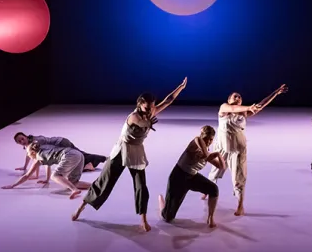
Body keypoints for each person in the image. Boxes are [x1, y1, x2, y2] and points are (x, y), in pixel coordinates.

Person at [72, 77, 188, 232]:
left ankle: (143, 219)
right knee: (104, 182)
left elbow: (169, 100)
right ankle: (80, 208)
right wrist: (148, 123)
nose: (149, 110)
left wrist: (180, 87)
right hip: (121, 151)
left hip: (136, 152)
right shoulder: (134, 116)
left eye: (151, 107)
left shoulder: (150, 111)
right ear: (140, 104)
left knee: (141, 186)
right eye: (147, 107)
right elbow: (141, 123)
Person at [203, 84, 288, 216]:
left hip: (238, 150)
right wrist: (249, 106)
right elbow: (232, 108)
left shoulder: (244, 113)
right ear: (229, 99)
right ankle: (207, 190)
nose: (238, 98)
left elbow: (261, 104)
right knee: (214, 172)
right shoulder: (223, 108)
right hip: (222, 149)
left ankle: (240, 206)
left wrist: (276, 93)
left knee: (239, 178)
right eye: (235, 96)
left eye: (240, 97)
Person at [158, 126, 226, 228]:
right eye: (206, 139)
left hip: (192, 177)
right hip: (178, 177)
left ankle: (210, 217)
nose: (208, 142)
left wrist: (219, 155)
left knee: (213, 189)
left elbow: (221, 167)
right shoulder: (195, 144)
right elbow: (197, 139)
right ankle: (161, 201)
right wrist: (206, 154)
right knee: (168, 217)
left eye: (211, 140)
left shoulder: (207, 153)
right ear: (202, 137)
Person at [1, 141, 91, 199]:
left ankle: (74, 190)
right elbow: (47, 166)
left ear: (32, 152)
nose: (28, 155)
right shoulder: (44, 151)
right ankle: (96, 185)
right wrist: (47, 180)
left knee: (55, 176)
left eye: (28, 153)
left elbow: (27, 176)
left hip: (69, 155)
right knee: (72, 181)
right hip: (78, 154)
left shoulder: (38, 158)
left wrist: (13, 185)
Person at [13, 133, 107, 179]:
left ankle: (94, 162)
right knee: (79, 154)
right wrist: (25, 167)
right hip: (60, 143)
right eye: (19, 141)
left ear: (25, 136)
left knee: (77, 156)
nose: (22, 141)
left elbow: (38, 159)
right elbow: (30, 156)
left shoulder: (35, 142)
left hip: (61, 143)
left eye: (22, 139)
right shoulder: (28, 146)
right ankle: (98, 160)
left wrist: (37, 175)